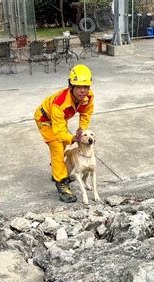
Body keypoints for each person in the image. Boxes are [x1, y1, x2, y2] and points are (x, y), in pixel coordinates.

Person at [34, 64, 94, 203]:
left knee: (63, 146)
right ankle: (61, 183)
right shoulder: (59, 104)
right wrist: (73, 137)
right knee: (57, 147)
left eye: (86, 87)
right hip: (45, 120)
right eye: (78, 87)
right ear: (70, 86)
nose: (82, 91)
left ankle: (57, 169)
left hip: (59, 120)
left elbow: (86, 112)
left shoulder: (88, 96)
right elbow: (59, 132)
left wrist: (82, 128)